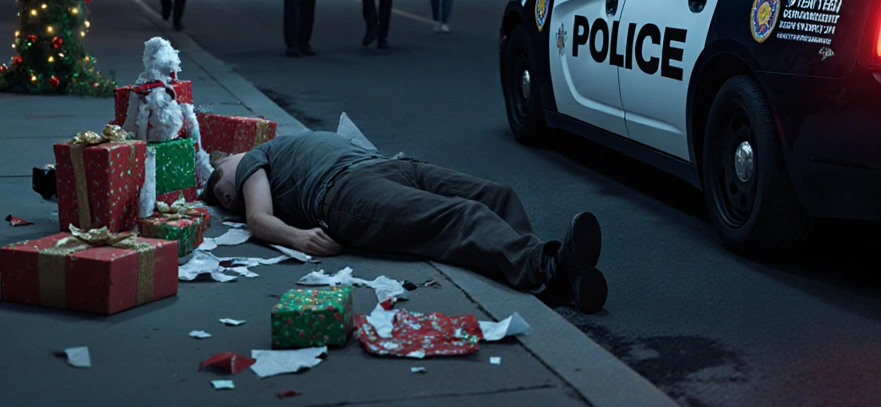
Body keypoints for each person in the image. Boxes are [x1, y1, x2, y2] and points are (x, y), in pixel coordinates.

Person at [200, 131, 608, 313]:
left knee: (495, 193)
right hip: (346, 194)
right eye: (222, 200)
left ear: (226, 161)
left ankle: (547, 274)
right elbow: (257, 218)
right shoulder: (257, 163)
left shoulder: (251, 154)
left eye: (223, 189)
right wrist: (300, 237)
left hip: (382, 167)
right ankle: (543, 265)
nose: (228, 199)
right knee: (461, 217)